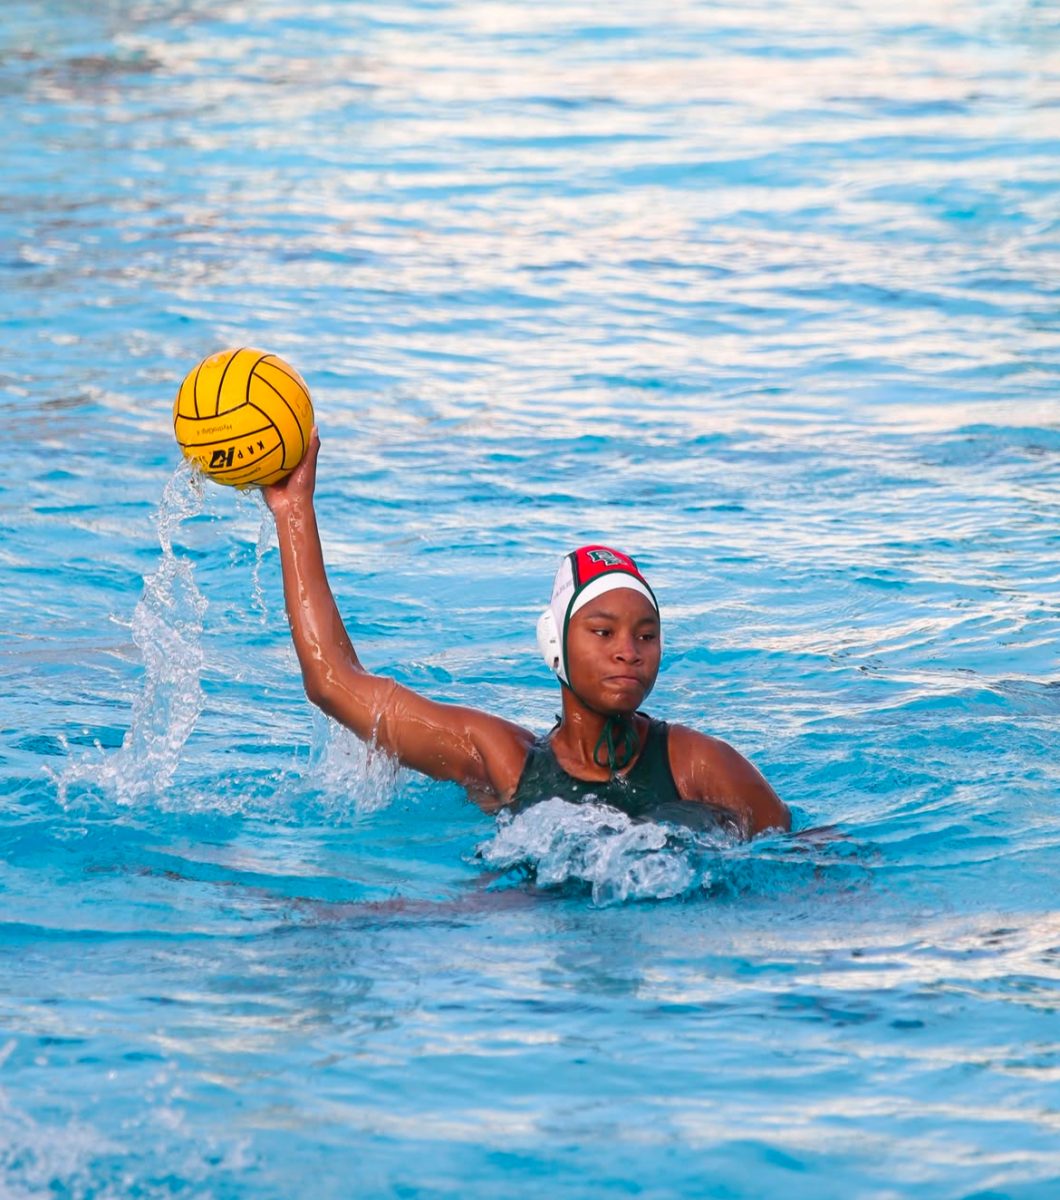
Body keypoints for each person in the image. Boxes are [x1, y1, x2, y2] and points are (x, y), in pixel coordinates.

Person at [263, 430, 790, 838]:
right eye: (602, 632)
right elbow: (333, 682)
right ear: (556, 647)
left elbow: (802, 853)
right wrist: (294, 512)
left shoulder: (699, 764)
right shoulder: (504, 760)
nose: (628, 652)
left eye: (646, 636)